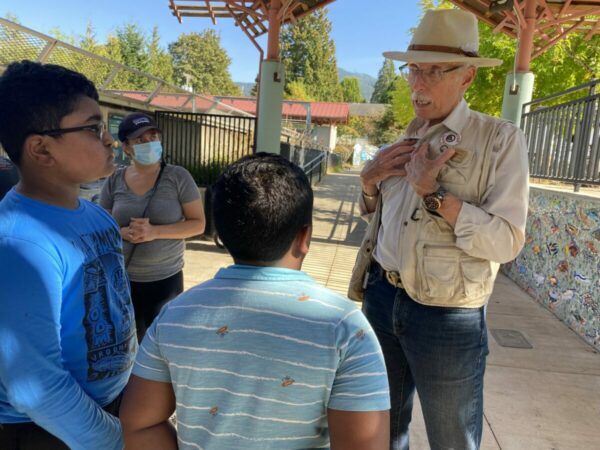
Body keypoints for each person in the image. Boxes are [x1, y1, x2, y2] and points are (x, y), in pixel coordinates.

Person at [119, 153, 391, 450]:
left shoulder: (176, 314)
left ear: (220, 236)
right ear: (305, 238)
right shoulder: (344, 326)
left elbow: (140, 424)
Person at [349, 9, 529, 450]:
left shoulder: (499, 141)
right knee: (382, 431)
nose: (417, 83)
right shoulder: (401, 142)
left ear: (467, 76)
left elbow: (507, 240)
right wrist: (369, 182)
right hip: (381, 295)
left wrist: (435, 195)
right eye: (413, 69)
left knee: (453, 438)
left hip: (448, 315)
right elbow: (378, 216)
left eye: (434, 70)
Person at [0, 61, 136, 449]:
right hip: (50, 431)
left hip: (112, 407)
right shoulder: (19, 245)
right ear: (42, 148)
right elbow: (34, 386)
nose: (110, 140)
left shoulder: (96, 217)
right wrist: (117, 439)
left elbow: (118, 310)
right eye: (94, 129)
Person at [99, 112, 205, 340]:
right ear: (126, 147)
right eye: (140, 140)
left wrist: (154, 232)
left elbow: (198, 224)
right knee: (125, 345)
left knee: (161, 344)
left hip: (165, 282)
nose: (150, 143)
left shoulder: (178, 177)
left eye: (153, 136)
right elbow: (102, 228)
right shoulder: (114, 181)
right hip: (123, 279)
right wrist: (122, 233)